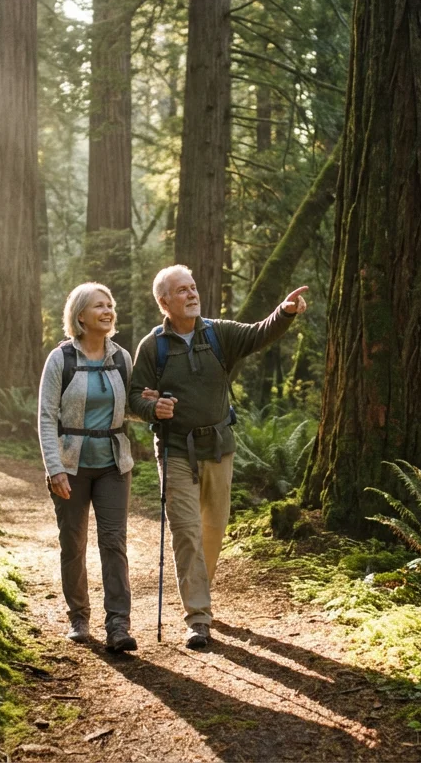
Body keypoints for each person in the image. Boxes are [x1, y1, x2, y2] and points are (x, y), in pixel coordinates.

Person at [127, 265, 307, 648]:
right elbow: (134, 396)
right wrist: (151, 410)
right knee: (187, 532)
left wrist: (285, 312)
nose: (192, 294)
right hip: (176, 450)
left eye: (193, 287)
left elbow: (260, 333)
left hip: (220, 447)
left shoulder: (218, 333)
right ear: (164, 301)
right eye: (182, 290)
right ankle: (198, 617)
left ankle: (199, 594)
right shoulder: (153, 346)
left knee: (213, 529)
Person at [37, 282, 137, 652]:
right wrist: (54, 467)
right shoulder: (60, 359)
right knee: (73, 543)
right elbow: (46, 417)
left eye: (110, 304)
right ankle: (79, 616)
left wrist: (155, 405)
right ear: (80, 315)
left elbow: (132, 408)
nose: (108, 310)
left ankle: (118, 625)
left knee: (114, 542)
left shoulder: (122, 358)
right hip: (70, 465)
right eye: (99, 305)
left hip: (114, 463)